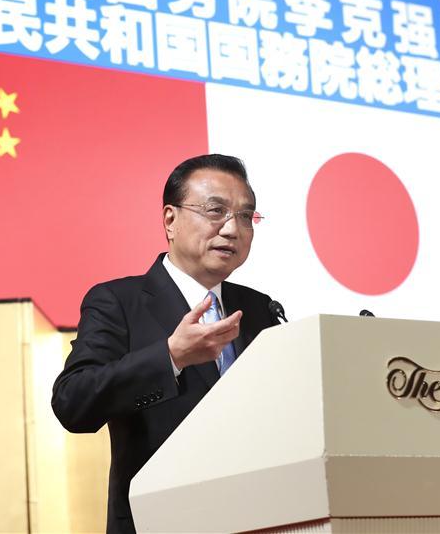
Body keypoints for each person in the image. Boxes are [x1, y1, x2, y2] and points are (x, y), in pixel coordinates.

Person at [52, 154, 280, 534]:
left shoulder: (260, 307)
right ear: (170, 220)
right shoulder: (118, 301)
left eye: (245, 216)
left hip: (257, 518)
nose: (232, 229)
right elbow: (72, 403)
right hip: (159, 522)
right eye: (216, 211)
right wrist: (170, 357)